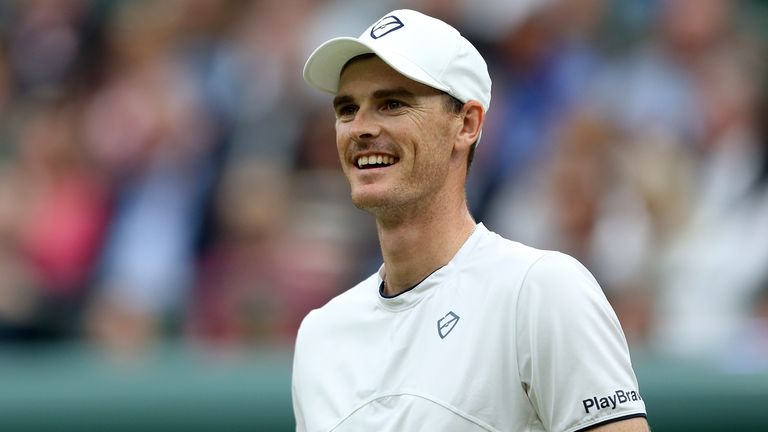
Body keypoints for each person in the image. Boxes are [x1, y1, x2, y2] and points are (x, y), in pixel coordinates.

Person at [292, 9, 648, 432]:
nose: (360, 128)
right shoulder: (320, 335)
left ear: (467, 124)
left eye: (392, 103)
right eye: (347, 109)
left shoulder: (542, 290)